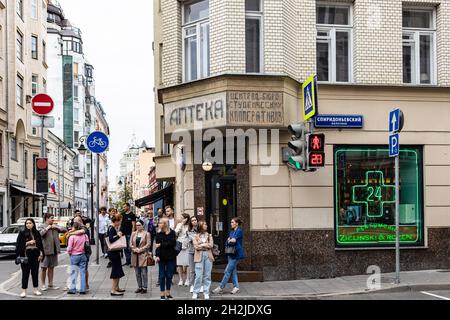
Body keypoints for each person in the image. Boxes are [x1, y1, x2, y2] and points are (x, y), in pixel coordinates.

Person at [213, 217, 244, 295]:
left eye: (232, 222)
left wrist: (230, 240)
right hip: (230, 253)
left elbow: (233, 241)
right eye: (231, 222)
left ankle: (220, 287)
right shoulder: (232, 232)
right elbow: (227, 242)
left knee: (227, 271)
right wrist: (230, 240)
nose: (231, 223)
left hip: (235, 254)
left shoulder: (239, 231)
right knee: (233, 272)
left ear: (237, 223)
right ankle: (236, 287)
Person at [16, 218, 44, 298]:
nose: (28, 225)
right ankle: (23, 291)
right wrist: (28, 242)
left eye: (30, 223)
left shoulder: (37, 233)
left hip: (35, 254)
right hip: (26, 254)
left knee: (35, 272)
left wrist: (41, 254)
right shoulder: (22, 233)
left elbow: (40, 245)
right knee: (25, 273)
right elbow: (18, 245)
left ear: (33, 224)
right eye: (27, 223)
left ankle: (35, 289)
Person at [39, 213, 67, 291]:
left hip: (54, 250)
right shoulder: (42, 226)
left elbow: (65, 230)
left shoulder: (55, 226)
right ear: (47, 218)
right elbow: (40, 234)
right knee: (44, 268)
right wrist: (48, 228)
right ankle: (43, 285)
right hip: (45, 250)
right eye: (51, 218)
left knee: (51, 268)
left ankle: (50, 284)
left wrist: (57, 227)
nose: (53, 219)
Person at [66, 216, 91, 291]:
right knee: (82, 273)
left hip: (74, 255)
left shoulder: (72, 237)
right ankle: (83, 289)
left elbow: (69, 248)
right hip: (83, 254)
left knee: (73, 272)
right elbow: (87, 243)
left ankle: (72, 289)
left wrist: (69, 252)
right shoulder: (85, 235)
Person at [155, 218, 177, 300]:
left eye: (160, 223)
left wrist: (161, 244)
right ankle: (162, 293)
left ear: (165, 224)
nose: (159, 224)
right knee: (161, 276)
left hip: (171, 257)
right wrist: (156, 255)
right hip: (161, 257)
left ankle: (168, 292)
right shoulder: (158, 233)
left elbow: (172, 243)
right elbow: (157, 246)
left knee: (169, 275)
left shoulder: (172, 233)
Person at [192, 221, 214, 300]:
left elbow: (211, 245)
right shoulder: (195, 236)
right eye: (204, 224)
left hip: (208, 256)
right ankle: (195, 292)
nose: (206, 225)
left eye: (206, 224)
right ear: (200, 226)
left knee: (207, 275)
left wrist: (202, 245)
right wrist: (205, 245)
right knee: (198, 275)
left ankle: (206, 292)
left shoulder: (209, 235)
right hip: (199, 256)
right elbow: (196, 247)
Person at [131, 220, 151, 294]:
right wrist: (134, 248)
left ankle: (144, 287)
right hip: (134, 255)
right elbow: (130, 243)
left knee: (144, 272)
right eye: (136, 225)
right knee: (137, 273)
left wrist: (140, 249)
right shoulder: (133, 233)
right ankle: (139, 287)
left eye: (139, 225)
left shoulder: (147, 234)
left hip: (143, 255)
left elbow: (148, 244)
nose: (137, 226)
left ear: (143, 225)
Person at [108, 215, 126, 296]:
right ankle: (113, 290)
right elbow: (111, 239)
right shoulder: (111, 228)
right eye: (120, 221)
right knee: (115, 270)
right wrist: (118, 235)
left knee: (118, 269)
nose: (120, 223)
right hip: (113, 253)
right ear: (116, 221)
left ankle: (117, 287)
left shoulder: (113, 227)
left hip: (115, 252)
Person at [175, 213, 190, 286]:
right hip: (179, 246)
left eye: (182, 218)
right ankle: (181, 279)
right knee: (179, 264)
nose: (181, 219)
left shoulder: (189, 226)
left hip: (187, 246)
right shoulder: (179, 225)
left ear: (186, 218)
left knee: (187, 264)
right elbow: (175, 232)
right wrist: (181, 224)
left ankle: (187, 279)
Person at [187, 216, 199, 293]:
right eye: (192, 221)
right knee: (192, 270)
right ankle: (192, 285)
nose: (194, 221)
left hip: (200, 252)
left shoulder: (201, 230)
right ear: (191, 223)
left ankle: (199, 285)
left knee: (199, 270)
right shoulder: (189, 231)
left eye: (195, 220)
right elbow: (193, 240)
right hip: (191, 252)